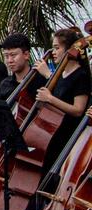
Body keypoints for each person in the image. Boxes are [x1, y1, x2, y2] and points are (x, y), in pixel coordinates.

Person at [34, 27, 91, 175]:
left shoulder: (81, 76)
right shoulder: (60, 73)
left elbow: (78, 110)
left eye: (57, 48)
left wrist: (50, 98)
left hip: (68, 135)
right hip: (54, 133)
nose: (53, 52)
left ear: (69, 50)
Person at [0, 33, 42, 102]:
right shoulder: (4, 84)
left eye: (13, 55)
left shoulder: (41, 80)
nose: (9, 60)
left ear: (26, 55)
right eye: (6, 56)